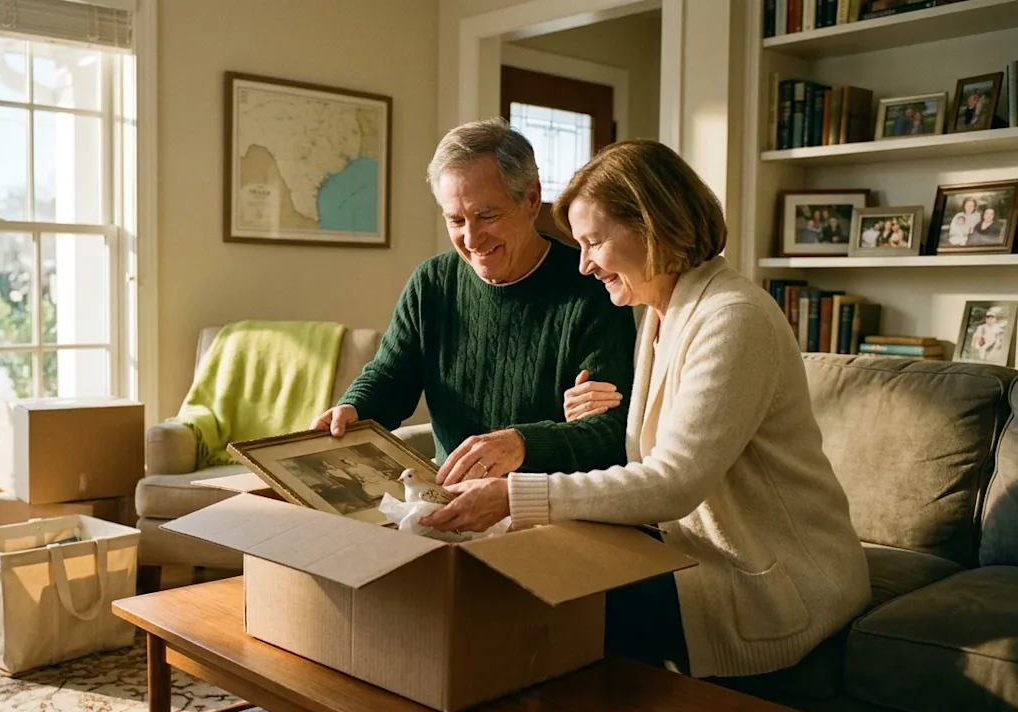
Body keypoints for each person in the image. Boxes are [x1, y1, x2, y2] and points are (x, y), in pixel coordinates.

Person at [421, 139, 871, 681]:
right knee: (509, 572)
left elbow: (673, 483)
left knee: (529, 608)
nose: (584, 265)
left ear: (652, 227)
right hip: (691, 553)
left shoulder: (733, 317)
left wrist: (513, 495)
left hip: (771, 583)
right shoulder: (661, 315)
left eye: (594, 243)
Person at [310, 118, 638, 483]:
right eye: (456, 220)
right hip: (449, 495)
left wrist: (522, 444)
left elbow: (610, 433)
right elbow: (390, 379)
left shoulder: (593, 288)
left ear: (531, 200)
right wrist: (352, 408)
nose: (471, 239)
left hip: (549, 501)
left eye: (486, 215)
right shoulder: (431, 283)